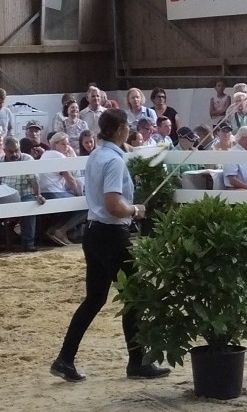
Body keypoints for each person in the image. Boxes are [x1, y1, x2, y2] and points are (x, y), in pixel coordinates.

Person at [51, 108, 170, 382]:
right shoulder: (114, 161)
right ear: (119, 130)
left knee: (94, 299)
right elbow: (114, 205)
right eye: (126, 126)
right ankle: (137, 362)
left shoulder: (97, 155)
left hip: (93, 233)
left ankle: (65, 358)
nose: (129, 130)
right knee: (136, 295)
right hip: (111, 234)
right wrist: (135, 210)